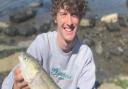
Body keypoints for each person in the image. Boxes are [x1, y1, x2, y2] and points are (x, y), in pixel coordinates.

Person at [2, 0, 96, 89]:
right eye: (63, 14)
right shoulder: (42, 44)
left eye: (74, 14)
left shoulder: (85, 55)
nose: (69, 22)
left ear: (80, 18)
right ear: (55, 18)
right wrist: (15, 87)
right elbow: (6, 85)